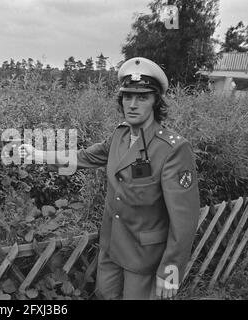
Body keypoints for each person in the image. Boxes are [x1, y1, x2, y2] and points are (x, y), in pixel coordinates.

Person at [19, 57, 200, 300]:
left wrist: (171, 271)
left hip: (145, 257)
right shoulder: (120, 135)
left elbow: (184, 219)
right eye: (127, 97)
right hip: (112, 248)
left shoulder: (172, 149)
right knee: (104, 295)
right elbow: (82, 157)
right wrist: (38, 155)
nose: (132, 104)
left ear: (156, 101)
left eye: (142, 97)